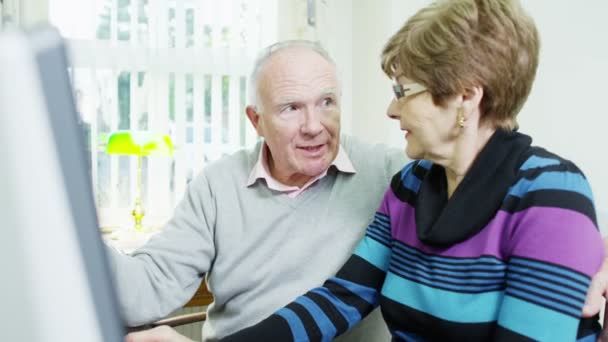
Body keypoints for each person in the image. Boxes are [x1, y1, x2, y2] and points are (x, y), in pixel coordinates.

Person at [218, 0, 605, 341]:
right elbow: (341, 298)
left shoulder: (550, 196)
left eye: (403, 91)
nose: (391, 109)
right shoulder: (411, 184)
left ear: (465, 97)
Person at [110, 40, 405, 342]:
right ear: (256, 120)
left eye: (326, 102)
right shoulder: (217, 186)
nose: (313, 126)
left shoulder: (391, 175)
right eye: (291, 108)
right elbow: (149, 288)